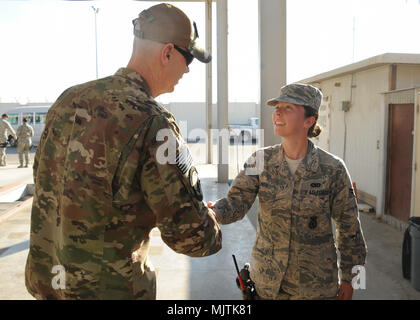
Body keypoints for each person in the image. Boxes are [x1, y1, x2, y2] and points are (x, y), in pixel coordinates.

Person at [25, 3, 221, 300]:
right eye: (188, 58)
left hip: (49, 284)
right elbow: (190, 237)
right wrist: (211, 224)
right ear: (167, 53)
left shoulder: (69, 99)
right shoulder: (153, 121)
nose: (188, 70)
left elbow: (43, 179)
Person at [208, 83, 367, 300]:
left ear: (309, 121)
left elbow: (350, 229)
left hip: (315, 288)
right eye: (277, 107)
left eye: (288, 108)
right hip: (266, 284)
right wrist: (214, 212)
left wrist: (351, 280)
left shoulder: (332, 168)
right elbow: (235, 203)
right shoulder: (260, 160)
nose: (277, 113)